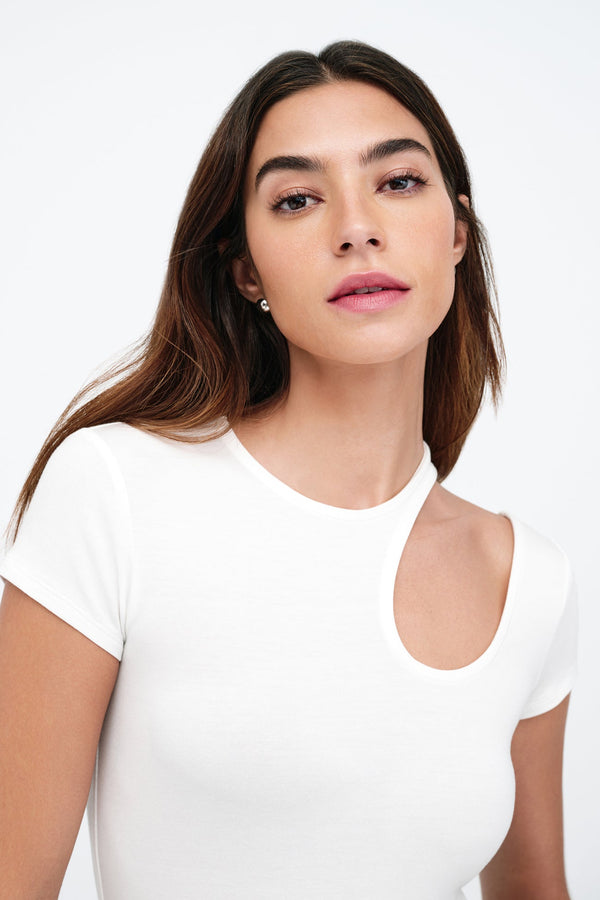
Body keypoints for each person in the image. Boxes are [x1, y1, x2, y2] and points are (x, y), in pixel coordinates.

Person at [0, 40, 578, 900]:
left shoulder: (529, 581)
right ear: (246, 269)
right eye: (298, 199)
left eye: (398, 181)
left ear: (458, 232)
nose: (356, 228)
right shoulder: (113, 493)